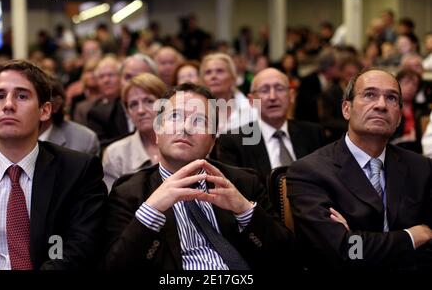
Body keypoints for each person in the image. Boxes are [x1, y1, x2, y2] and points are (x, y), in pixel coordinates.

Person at [103, 83, 294, 270]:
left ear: (212, 142)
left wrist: (244, 210)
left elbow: (287, 256)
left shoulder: (243, 183)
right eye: (175, 117)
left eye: (199, 121)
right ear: (157, 133)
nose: (185, 127)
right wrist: (151, 211)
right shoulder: (129, 192)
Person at [287, 69, 432, 271]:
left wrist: (358, 239)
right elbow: (343, 251)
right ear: (346, 109)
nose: (381, 105)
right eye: (370, 95)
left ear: (399, 117)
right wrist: (413, 235)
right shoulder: (309, 172)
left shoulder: (421, 167)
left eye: (391, 98)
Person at [0, 60, 106, 270]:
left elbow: (79, 249)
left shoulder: (78, 171)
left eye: (21, 96)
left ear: (45, 111)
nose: (8, 105)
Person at [215, 68, 324, 183]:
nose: (272, 97)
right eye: (264, 90)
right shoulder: (234, 141)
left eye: (279, 88)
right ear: (251, 100)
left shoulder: (313, 133)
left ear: (291, 96)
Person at [0, 75, 100, 155]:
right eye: (0, 96)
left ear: (48, 108)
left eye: (22, 97)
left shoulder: (83, 141)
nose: (8, 105)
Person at [102, 73, 166, 192]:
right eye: (133, 104)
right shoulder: (116, 154)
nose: (140, 110)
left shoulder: (182, 143)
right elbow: (113, 207)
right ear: (128, 112)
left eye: (149, 101)